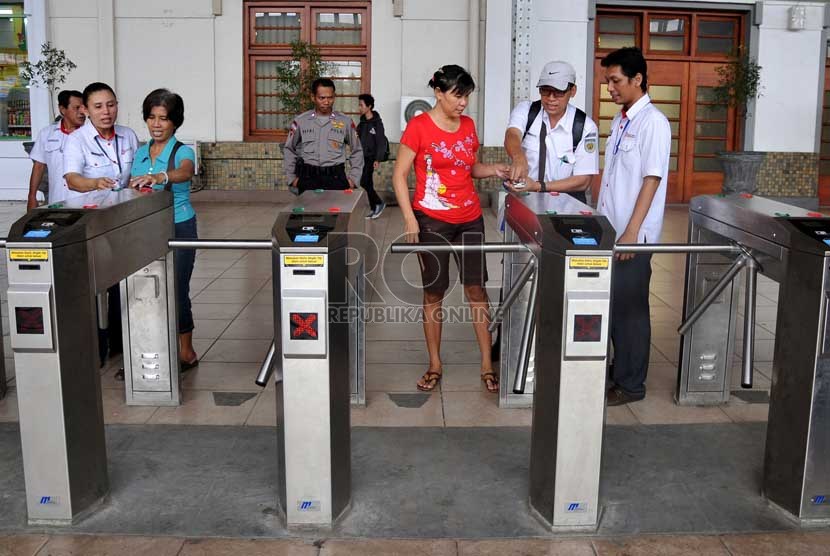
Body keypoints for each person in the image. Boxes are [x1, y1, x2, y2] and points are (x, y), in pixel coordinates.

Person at [392, 64, 509, 394]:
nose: (463, 103)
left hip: (470, 217)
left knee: (476, 290)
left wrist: (494, 169)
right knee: (434, 292)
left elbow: (471, 168)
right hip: (432, 220)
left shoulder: (469, 126)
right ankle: (434, 364)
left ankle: (487, 364)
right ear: (439, 93)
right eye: (457, 95)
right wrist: (410, 219)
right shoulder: (418, 127)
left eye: (467, 96)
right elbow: (399, 176)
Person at [598, 47, 671, 406]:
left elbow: (651, 180)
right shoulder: (620, 120)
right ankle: (616, 372)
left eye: (615, 80)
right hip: (610, 231)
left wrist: (631, 231)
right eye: (607, 80)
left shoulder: (653, 122)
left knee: (630, 312)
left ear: (637, 79)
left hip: (632, 236)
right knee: (612, 308)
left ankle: (631, 385)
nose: (609, 87)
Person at [63, 82, 140, 377]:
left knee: (123, 280)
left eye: (111, 104)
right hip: (91, 222)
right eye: (98, 107)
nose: (106, 112)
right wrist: (94, 183)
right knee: (94, 284)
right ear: (85, 110)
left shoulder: (128, 136)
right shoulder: (77, 140)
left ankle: (121, 342)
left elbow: (136, 171)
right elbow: (72, 179)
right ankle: (96, 346)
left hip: (125, 218)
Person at [129, 89, 199, 372]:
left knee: (177, 288)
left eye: (164, 119)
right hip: (145, 226)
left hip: (178, 224)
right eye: (151, 117)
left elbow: (186, 171)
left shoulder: (182, 151)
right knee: (146, 289)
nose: (157, 124)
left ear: (175, 122)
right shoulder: (140, 153)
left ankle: (186, 352)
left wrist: (161, 176)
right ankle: (151, 348)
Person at [503, 61, 599, 200]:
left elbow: (583, 181)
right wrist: (518, 158)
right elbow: (512, 134)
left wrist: (538, 186)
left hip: (565, 206)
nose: (550, 99)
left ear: (572, 91)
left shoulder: (584, 127)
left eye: (558, 93)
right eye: (545, 91)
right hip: (525, 199)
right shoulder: (527, 110)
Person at [283, 78, 363, 193]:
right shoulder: (301, 121)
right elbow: (289, 149)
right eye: (322, 98)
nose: (326, 102)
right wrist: (292, 178)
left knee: (336, 211)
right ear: (313, 97)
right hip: (308, 178)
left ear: (334, 97)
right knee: (307, 211)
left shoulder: (345, 122)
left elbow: (357, 150)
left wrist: (353, 179)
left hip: (335, 178)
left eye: (330, 97)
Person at [26, 89, 86, 210]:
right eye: (76, 108)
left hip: (85, 202)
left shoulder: (91, 134)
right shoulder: (47, 134)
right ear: (63, 109)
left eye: (83, 108)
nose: (82, 112)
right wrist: (32, 197)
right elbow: (39, 166)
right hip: (57, 201)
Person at [356, 93, 388, 218]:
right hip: (362, 157)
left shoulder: (377, 123)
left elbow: (381, 142)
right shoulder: (362, 122)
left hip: (371, 157)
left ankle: (379, 203)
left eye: (361, 105)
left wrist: (377, 159)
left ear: (369, 106)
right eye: (359, 105)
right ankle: (374, 208)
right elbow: (357, 136)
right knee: (367, 182)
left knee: (364, 181)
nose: (359, 107)